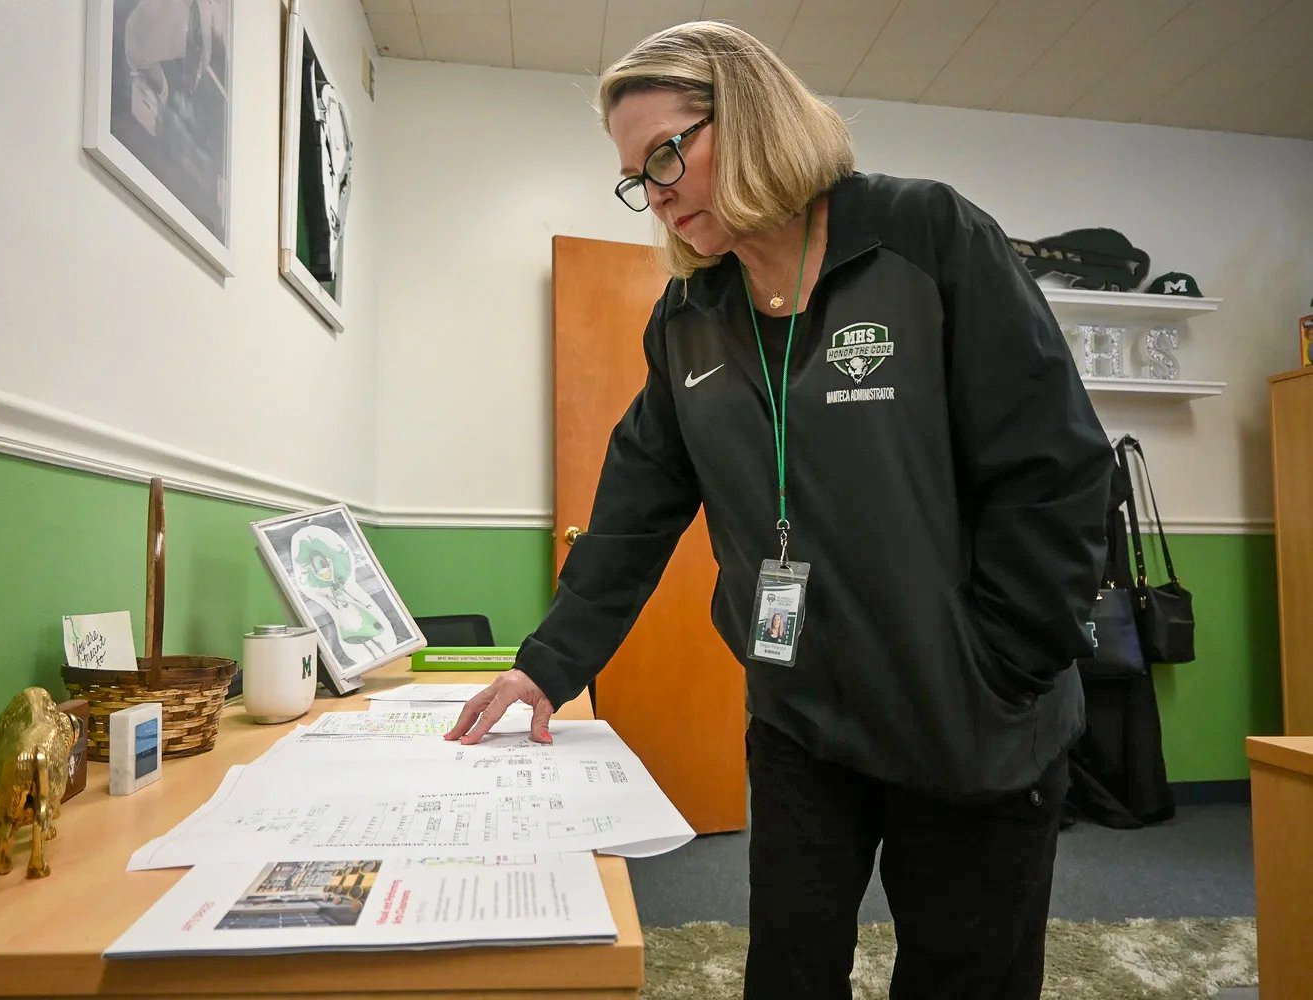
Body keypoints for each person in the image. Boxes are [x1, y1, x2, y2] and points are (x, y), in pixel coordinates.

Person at [444, 20, 1113, 1000]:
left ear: (751, 116)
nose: (656, 189)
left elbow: (1053, 466)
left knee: (964, 977)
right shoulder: (691, 318)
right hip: (803, 718)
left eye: (668, 150)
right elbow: (633, 506)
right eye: (637, 175)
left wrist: (1006, 660)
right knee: (788, 974)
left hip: (970, 716)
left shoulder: (928, 239)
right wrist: (546, 668)